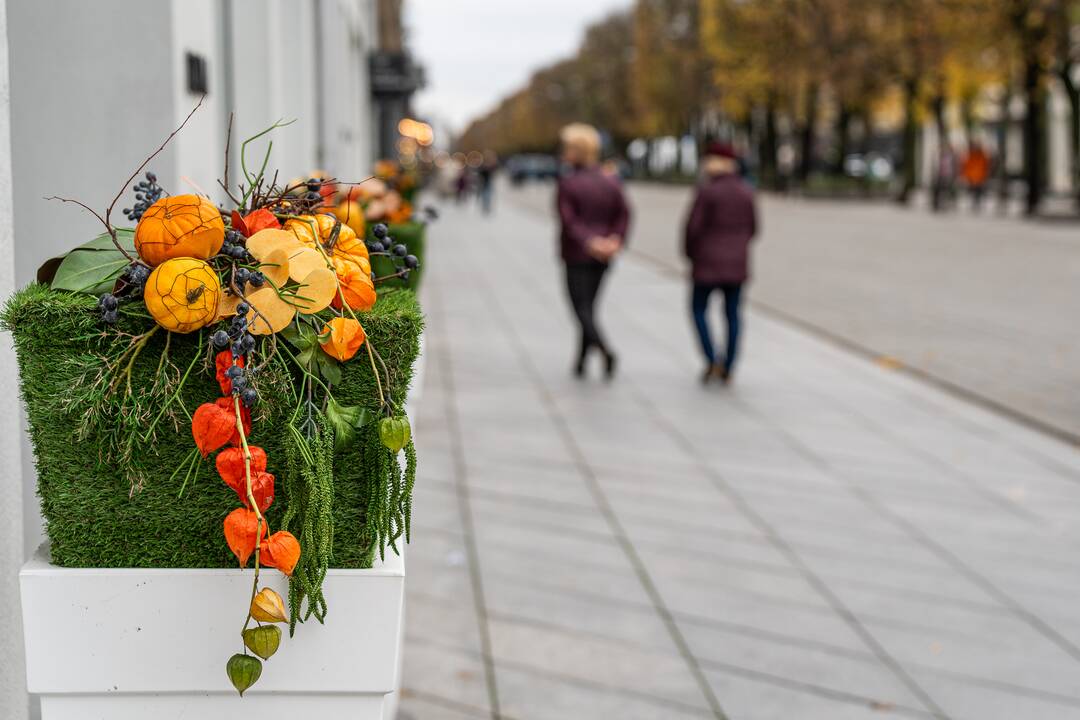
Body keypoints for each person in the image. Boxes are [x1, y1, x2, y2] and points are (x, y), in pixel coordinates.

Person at [556, 123, 630, 380]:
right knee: (589, 307)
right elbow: (624, 213)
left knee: (581, 309)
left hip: (578, 254)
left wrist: (590, 242)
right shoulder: (610, 181)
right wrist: (614, 240)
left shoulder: (568, 183)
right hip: (604, 255)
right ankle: (580, 361)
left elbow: (569, 221)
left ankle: (605, 350)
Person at [684, 142, 758, 384]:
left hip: (706, 261)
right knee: (733, 314)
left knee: (698, 309)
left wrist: (690, 254)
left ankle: (711, 358)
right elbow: (754, 228)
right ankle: (729, 365)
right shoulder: (746, 191)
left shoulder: (707, 191)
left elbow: (692, 228)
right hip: (737, 263)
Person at [961, 141, 991, 211]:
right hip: (973, 177)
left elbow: (985, 166)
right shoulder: (971, 156)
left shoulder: (982, 156)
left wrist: (985, 175)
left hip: (979, 177)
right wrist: (967, 175)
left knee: (978, 192)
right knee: (974, 192)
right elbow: (967, 166)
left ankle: (977, 204)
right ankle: (975, 204)